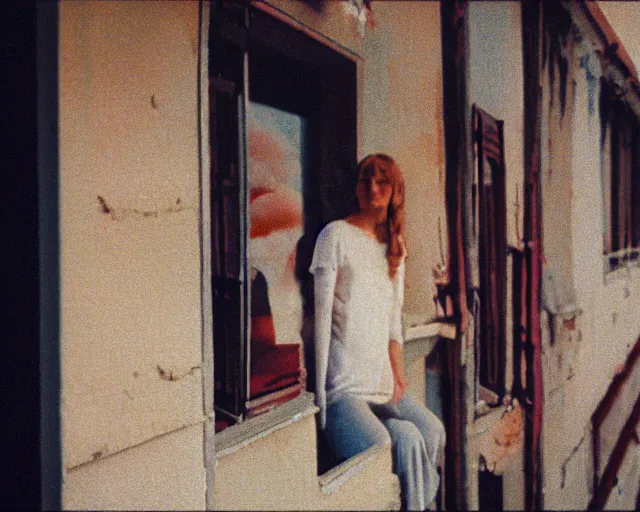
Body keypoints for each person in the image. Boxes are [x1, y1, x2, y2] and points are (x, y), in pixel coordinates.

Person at [310, 154, 446, 511]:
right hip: (345, 390)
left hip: (382, 384)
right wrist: (321, 402)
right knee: (387, 444)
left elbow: (392, 323)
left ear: (395, 191)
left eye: (382, 181)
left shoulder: (395, 248)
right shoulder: (335, 236)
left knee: (430, 432)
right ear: (356, 188)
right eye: (365, 179)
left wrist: (398, 375)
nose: (372, 187)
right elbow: (321, 323)